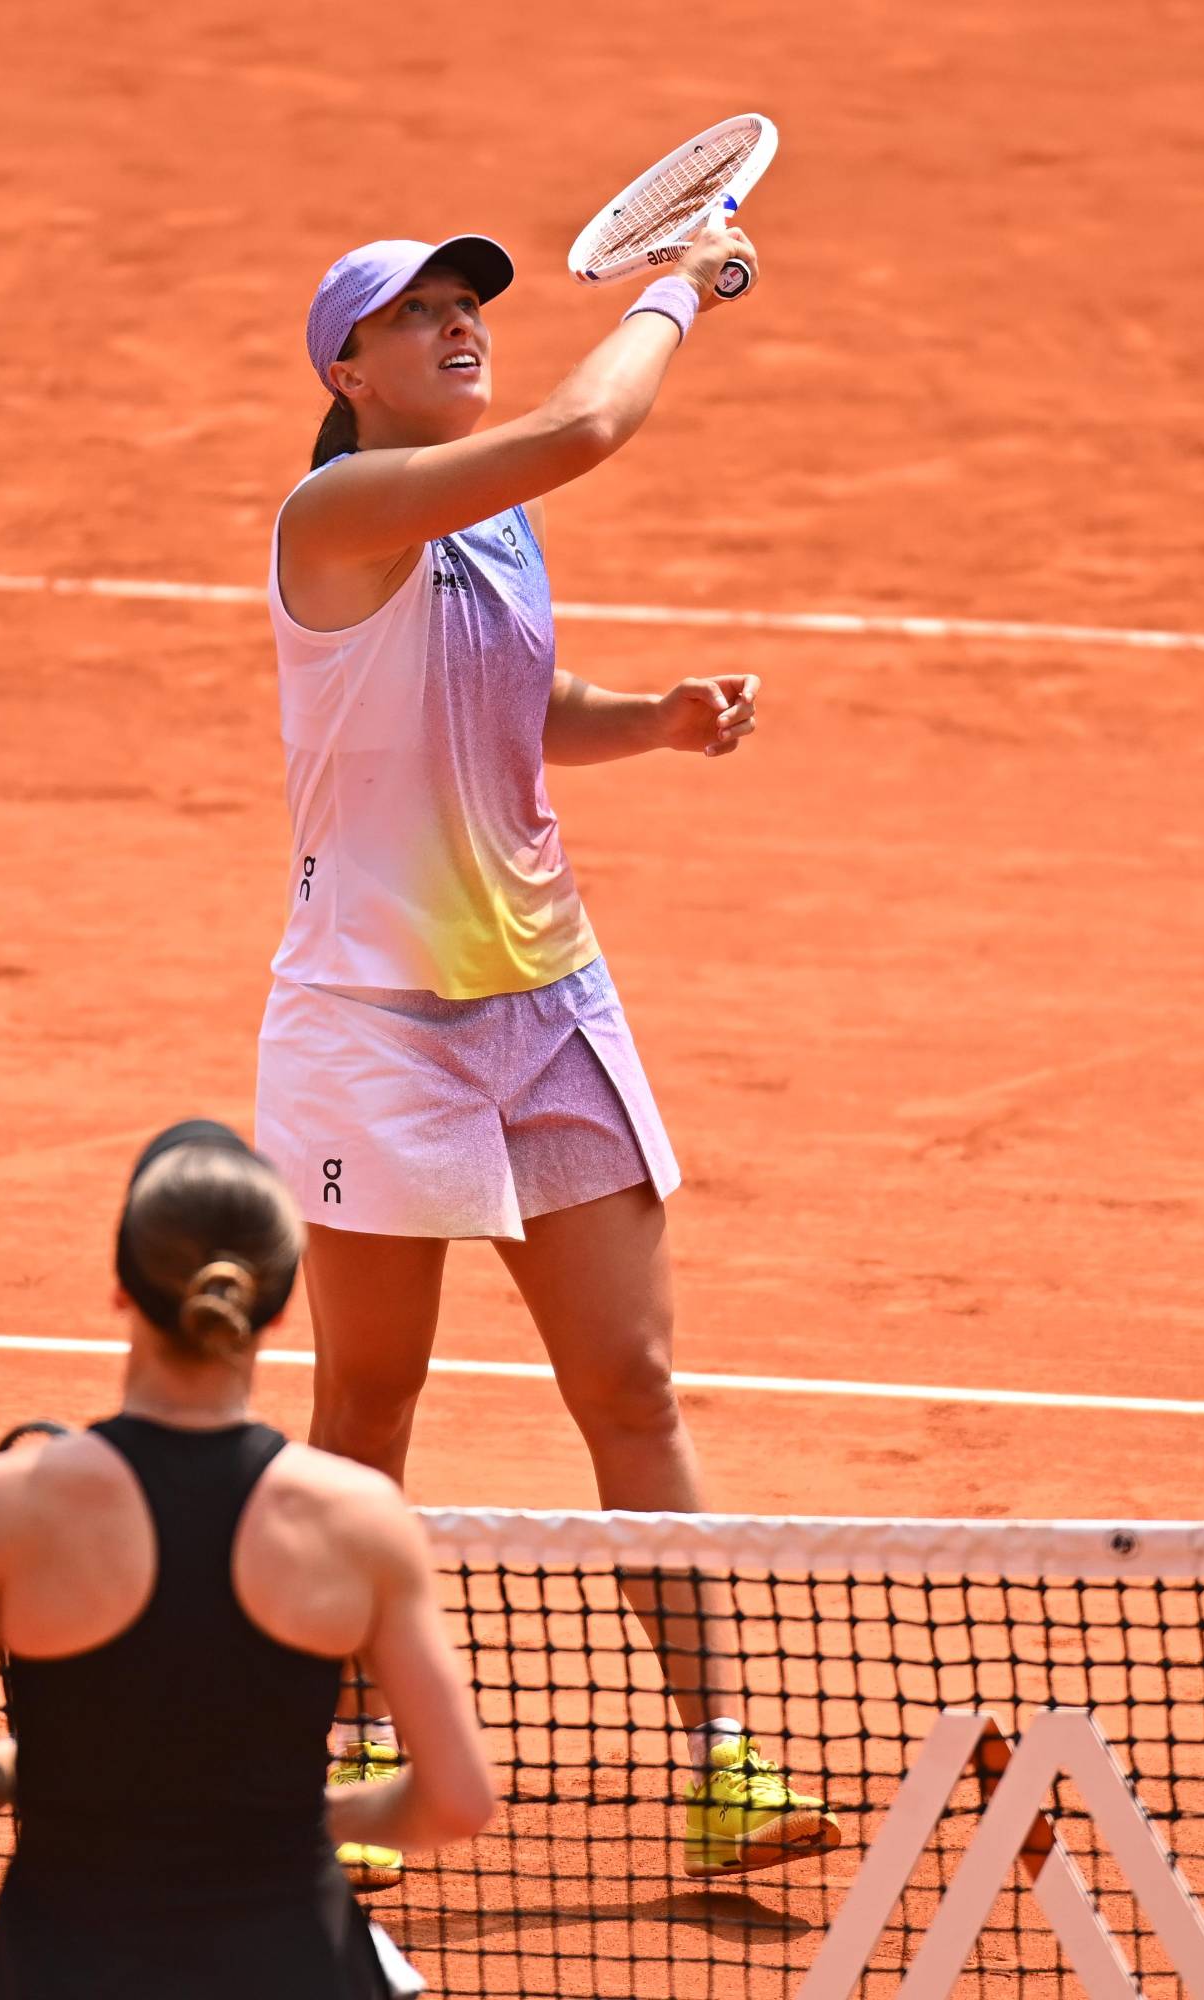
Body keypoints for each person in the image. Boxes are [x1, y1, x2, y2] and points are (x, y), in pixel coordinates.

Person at [257, 222, 840, 1887]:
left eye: (466, 309)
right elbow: (590, 429)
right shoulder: (340, 509)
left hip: (548, 1005)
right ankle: (346, 1755)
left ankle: (724, 1762)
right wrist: (687, 287)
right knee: (367, 1402)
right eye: (414, 319)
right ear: (346, 375)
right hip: (377, 1030)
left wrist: (641, 721)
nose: (455, 329)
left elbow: (511, 704)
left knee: (633, 1388)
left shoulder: (483, 515)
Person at [0, 1119, 494, 1997]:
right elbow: (457, 1801)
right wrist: (276, 1814)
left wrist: (43, 1762)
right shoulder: (361, 1518)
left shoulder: (5, 1505)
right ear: (279, 1305)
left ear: (122, 1289)